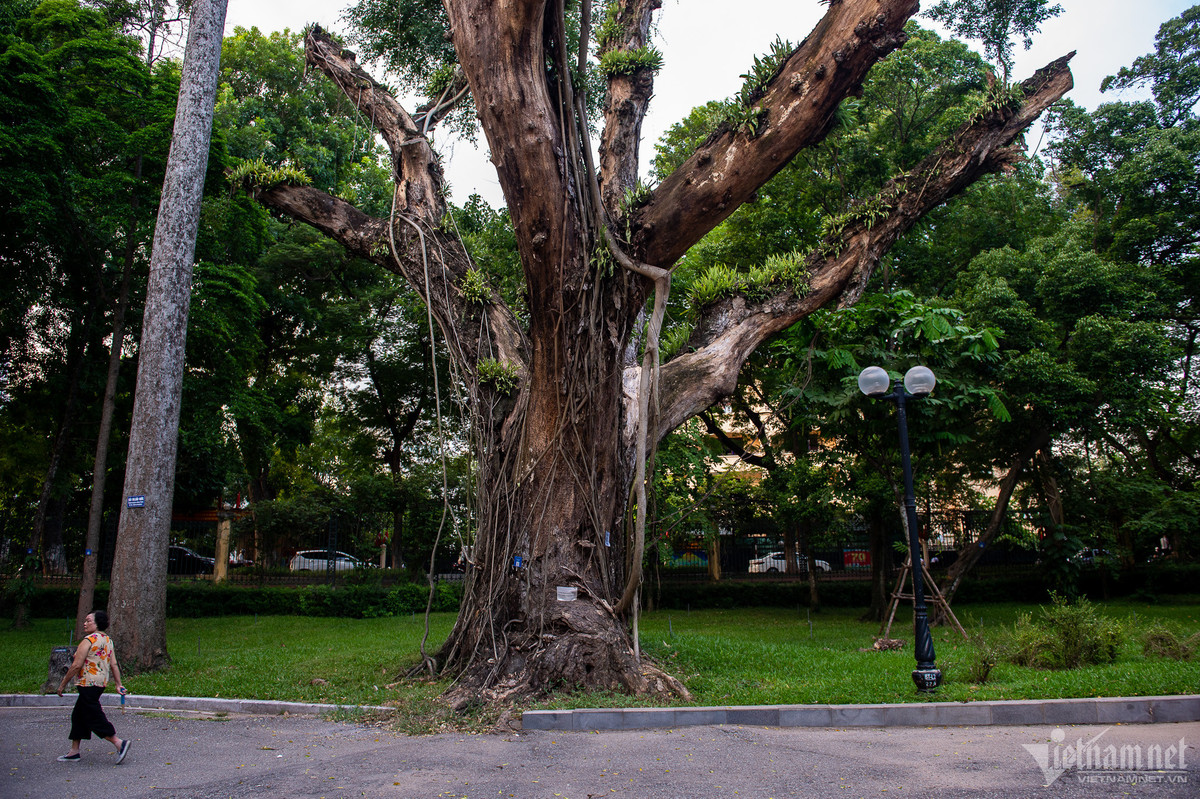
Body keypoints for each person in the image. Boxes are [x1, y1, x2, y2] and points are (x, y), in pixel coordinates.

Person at [56, 610, 131, 764]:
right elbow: (114, 664)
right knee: (78, 715)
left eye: (88, 620)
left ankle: (118, 742)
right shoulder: (108, 640)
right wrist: (118, 684)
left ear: (97, 623)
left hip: (87, 683)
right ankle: (74, 751)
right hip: (100, 683)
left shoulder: (88, 640)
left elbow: (76, 665)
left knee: (93, 715)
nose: (85, 623)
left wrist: (62, 684)